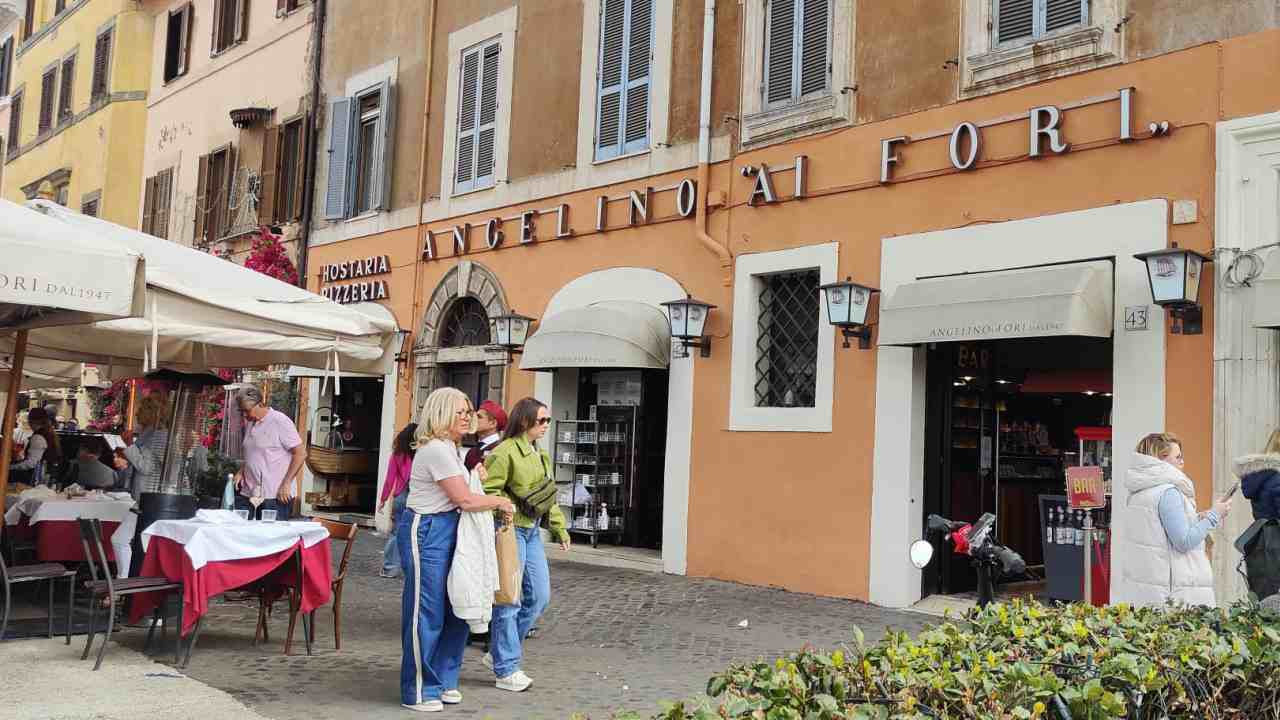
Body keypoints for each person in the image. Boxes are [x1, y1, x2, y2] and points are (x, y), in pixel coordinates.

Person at [398, 387, 514, 713]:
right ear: (441, 414)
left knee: (456, 607)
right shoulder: (435, 449)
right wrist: (500, 501)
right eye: (460, 411)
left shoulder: (451, 449)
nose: (467, 416)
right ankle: (419, 689)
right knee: (427, 611)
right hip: (428, 531)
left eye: (468, 411)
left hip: (450, 529)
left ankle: (444, 680)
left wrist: (472, 475)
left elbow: (460, 490)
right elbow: (464, 499)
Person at [482, 397, 571, 692]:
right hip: (511, 530)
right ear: (525, 421)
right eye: (542, 420)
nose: (547, 425)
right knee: (510, 598)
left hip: (532, 532)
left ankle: (498, 649)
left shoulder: (539, 454)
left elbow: (547, 496)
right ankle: (506, 668)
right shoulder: (505, 452)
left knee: (540, 597)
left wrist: (560, 528)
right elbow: (488, 491)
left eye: (548, 420)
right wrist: (503, 508)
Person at [1115, 432, 1230, 607]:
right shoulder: (1168, 492)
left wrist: (1197, 518)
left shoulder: (1139, 492)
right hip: (1173, 594)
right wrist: (1215, 515)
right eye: (1178, 457)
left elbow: (1158, 534)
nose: (1182, 462)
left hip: (1147, 590)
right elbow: (1183, 541)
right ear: (1161, 459)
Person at [232, 387, 305, 521]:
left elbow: (300, 453)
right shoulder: (251, 422)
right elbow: (255, 453)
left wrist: (286, 483)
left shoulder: (279, 421)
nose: (245, 415)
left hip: (275, 495)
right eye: (241, 411)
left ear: (259, 403)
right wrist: (241, 471)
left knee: (271, 540)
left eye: (247, 411)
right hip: (249, 493)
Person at [1231, 431, 1280, 599]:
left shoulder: (1262, 477)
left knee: (1266, 608)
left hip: (1262, 550)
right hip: (1275, 552)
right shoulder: (1277, 478)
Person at [379, 422, 418, 579]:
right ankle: (411, 569)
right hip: (418, 497)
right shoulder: (422, 453)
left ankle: (390, 568)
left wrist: (383, 499)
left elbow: (390, 479)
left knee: (396, 533)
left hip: (401, 495)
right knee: (415, 534)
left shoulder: (398, 455)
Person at [10, 407, 62, 485]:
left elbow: (31, 463)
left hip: (38, 478)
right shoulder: (48, 433)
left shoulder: (38, 437)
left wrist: (10, 467)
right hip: (47, 475)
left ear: (31, 421)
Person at [464, 401, 507, 472]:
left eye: (479, 417)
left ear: (493, 423)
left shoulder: (501, 449)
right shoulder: (472, 451)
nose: (473, 419)